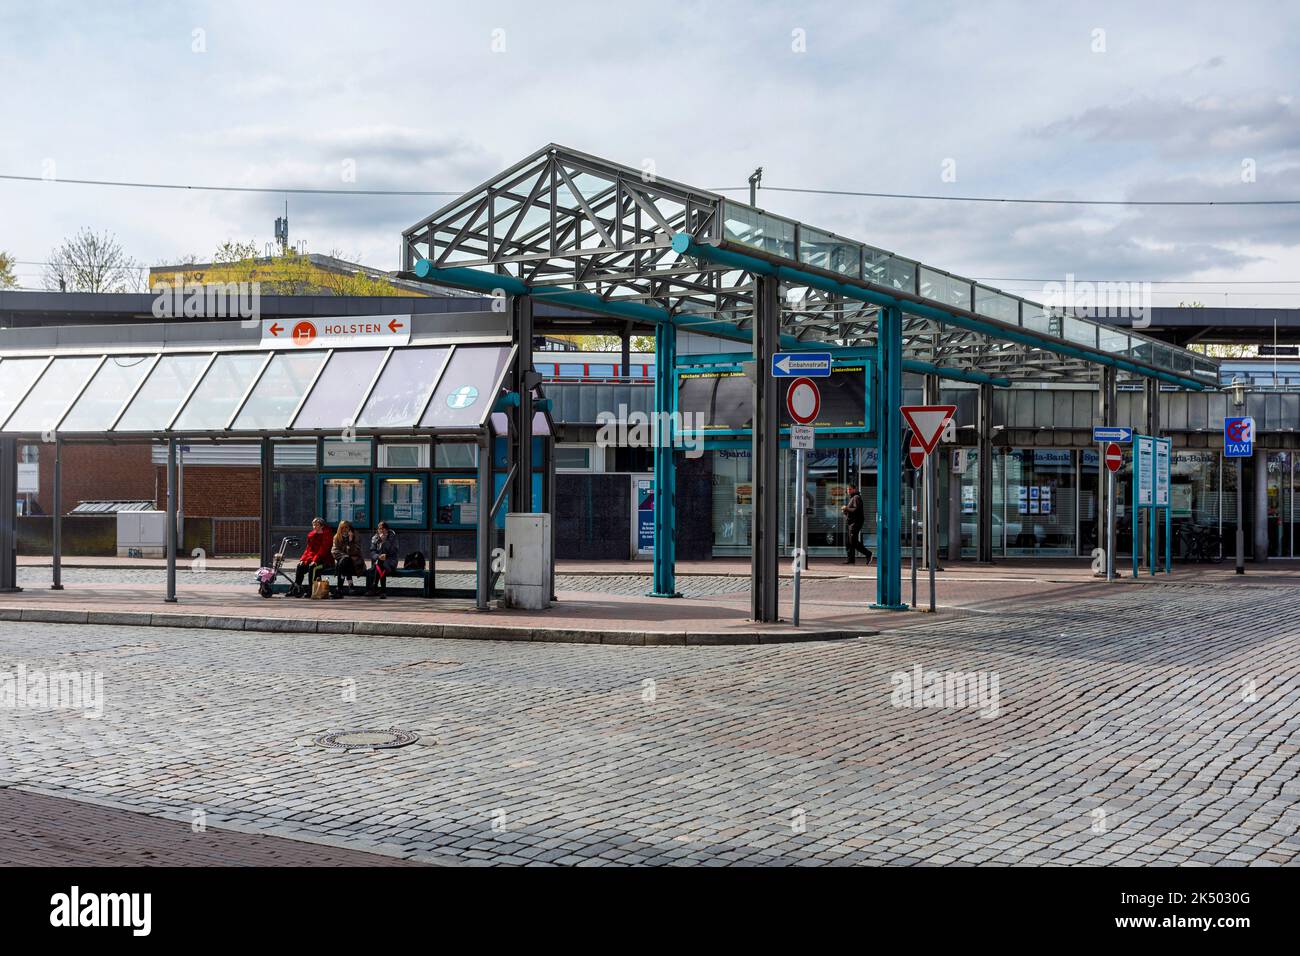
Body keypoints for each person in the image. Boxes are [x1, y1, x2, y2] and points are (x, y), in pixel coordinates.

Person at [293, 517, 334, 595]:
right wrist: (303, 559)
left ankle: (311, 590)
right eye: (314, 525)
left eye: (317, 525)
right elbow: (308, 549)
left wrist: (315, 560)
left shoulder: (327, 535)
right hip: (312, 558)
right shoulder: (312, 535)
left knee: (313, 567)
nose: (315, 527)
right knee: (300, 566)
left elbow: (323, 550)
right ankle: (296, 588)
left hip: (324, 560)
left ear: (322, 526)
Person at [331, 520, 366, 597]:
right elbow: (334, 550)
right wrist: (345, 556)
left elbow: (356, 551)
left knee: (343, 562)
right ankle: (350, 587)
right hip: (343, 562)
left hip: (355, 562)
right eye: (342, 528)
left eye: (346, 527)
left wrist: (350, 541)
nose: (345, 529)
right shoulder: (337, 537)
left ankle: (339, 589)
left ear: (350, 528)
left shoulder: (355, 536)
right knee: (344, 561)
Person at [367, 521, 401, 598]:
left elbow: (394, 551)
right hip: (379, 561)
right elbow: (372, 552)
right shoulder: (375, 538)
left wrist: (384, 542)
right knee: (381, 563)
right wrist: (378, 556)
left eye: (383, 529)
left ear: (387, 530)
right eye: (380, 529)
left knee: (382, 564)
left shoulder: (392, 537)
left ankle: (374, 587)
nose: (381, 531)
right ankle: (383, 590)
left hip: (391, 561)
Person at [841, 484, 873, 565]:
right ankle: (851, 559)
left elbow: (856, 510)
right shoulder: (852, 498)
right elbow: (851, 511)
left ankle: (868, 553)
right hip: (850, 522)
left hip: (855, 523)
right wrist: (845, 511)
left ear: (855, 489)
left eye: (850, 489)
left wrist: (846, 508)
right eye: (848, 489)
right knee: (848, 542)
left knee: (853, 541)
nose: (848, 491)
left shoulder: (856, 497)